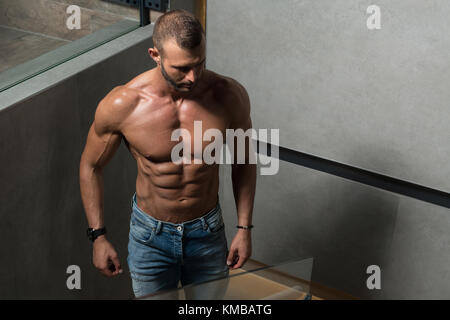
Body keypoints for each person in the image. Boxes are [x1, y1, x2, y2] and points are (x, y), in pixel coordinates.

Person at [79, 9, 256, 299]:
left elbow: (244, 161)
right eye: (182, 68)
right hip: (150, 237)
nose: (193, 76)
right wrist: (97, 236)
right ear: (155, 54)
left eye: (200, 64)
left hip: (207, 233)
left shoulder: (228, 96)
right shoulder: (123, 104)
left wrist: (244, 227)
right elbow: (90, 166)